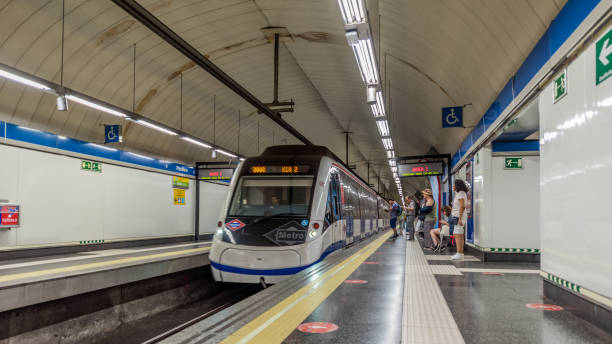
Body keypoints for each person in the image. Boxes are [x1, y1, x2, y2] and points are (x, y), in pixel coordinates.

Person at [450, 179, 469, 260]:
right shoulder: (459, 193)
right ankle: (460, 254)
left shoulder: (460, 193)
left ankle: (459, 253)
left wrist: (460, 218)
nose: (453, 186)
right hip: (457, 216)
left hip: (458, 217)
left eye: (454, 185)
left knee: (458, 235)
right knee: (459, 234)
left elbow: (462, 206)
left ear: (458, 185)